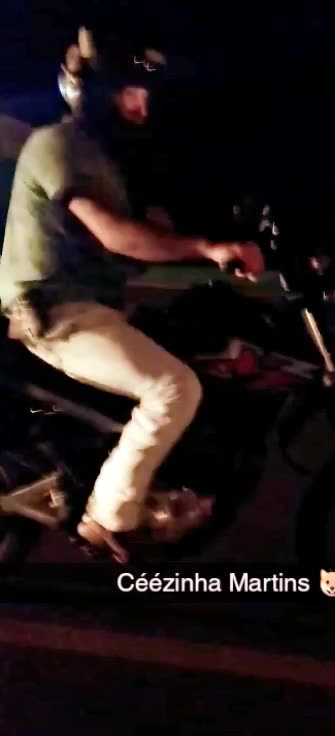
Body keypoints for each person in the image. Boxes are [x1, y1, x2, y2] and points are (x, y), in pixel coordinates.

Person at [0, 28, 264, 555]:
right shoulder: (59, 146)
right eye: (130, 93)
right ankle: (110, 518)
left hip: (92, 308)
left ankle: (158, 485)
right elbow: (115, 234)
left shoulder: (101, 160)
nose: (142, 106)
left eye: (145, 95)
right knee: (174, 388)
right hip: (56, 312)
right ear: (99, 94)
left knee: (195, 344)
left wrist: (216, 242)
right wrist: (206, 248)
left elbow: (138, 237)